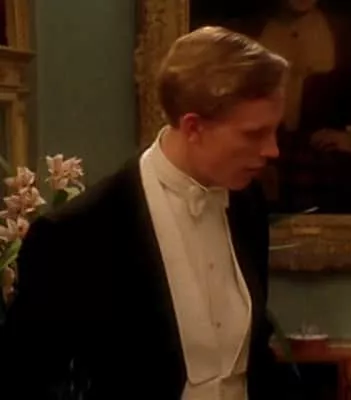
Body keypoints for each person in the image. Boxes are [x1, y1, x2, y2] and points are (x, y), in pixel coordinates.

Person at [0, 26, 297, 399]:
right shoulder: (77, 232)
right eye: (254, 134)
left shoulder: (246, 202)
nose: (273, 150)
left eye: (274, 132)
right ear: (193, 127)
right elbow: (27, 381)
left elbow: (254, 358)